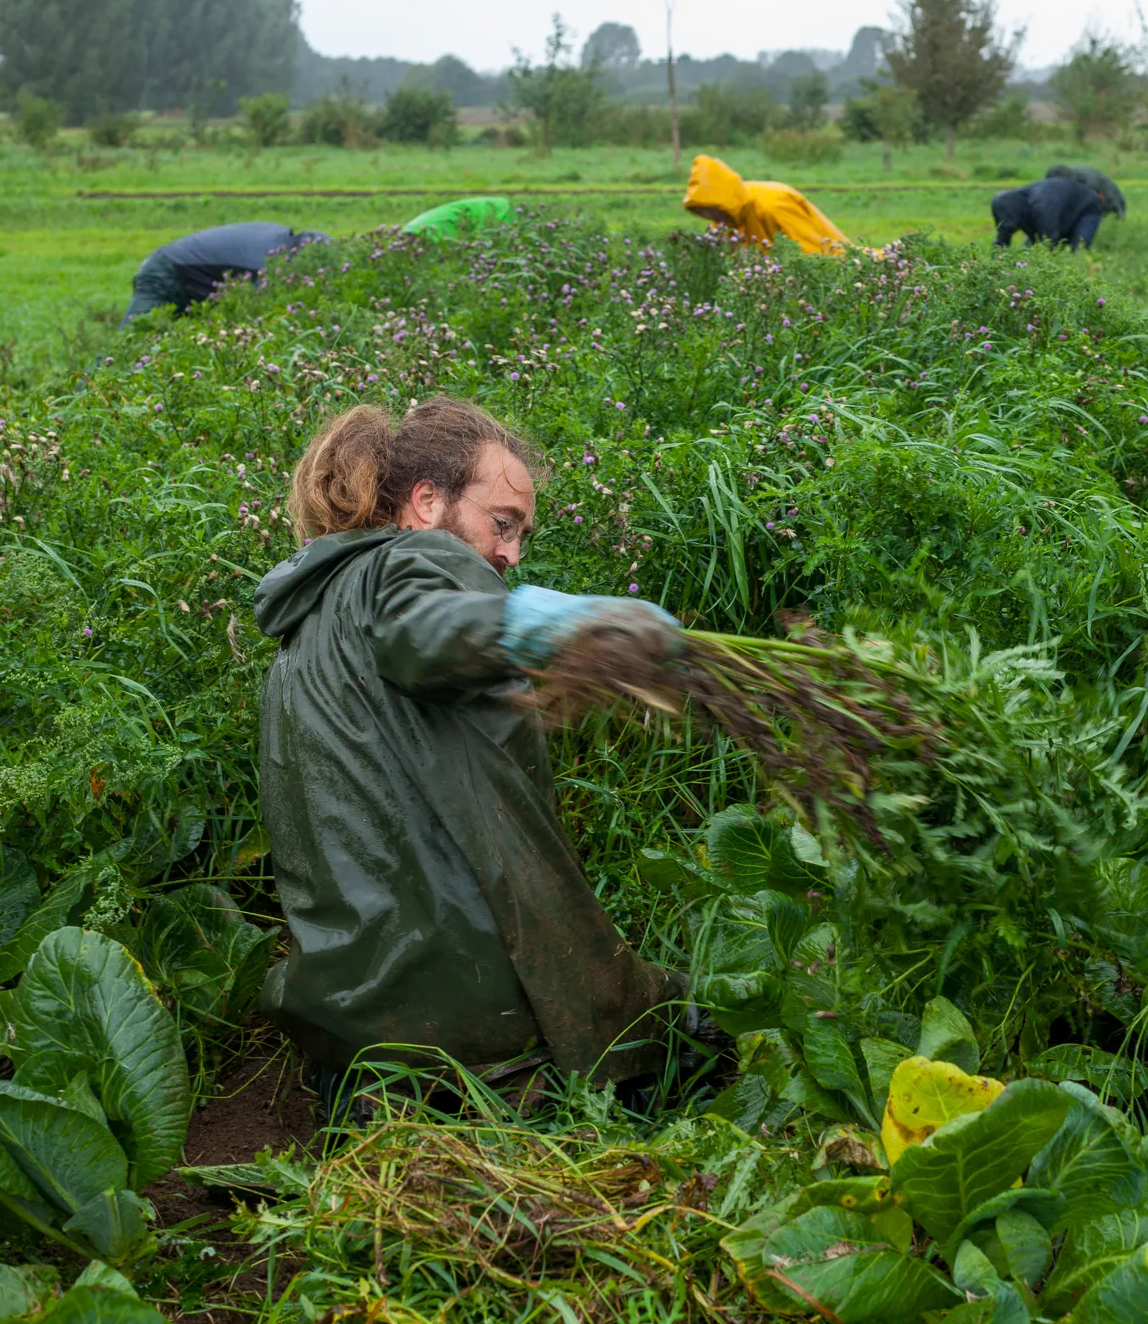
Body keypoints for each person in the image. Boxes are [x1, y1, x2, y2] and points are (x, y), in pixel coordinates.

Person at [253, 397, 687, 1099]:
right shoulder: (408, 566)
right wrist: (547, 623)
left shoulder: (311, 621)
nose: (511, 553)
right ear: (427, 502)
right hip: (467, 1026)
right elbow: (429, 625)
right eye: (502, 523)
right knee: (685, 1035)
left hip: (352, 1025)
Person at [124, 222, 331, 323]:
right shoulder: (268, 262)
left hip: (192, 278)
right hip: (166, 271)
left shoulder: (280, 239)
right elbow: (260, 314)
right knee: (133, 336)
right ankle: (92, 387)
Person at [683, 154, 850, 255]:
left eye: (709, 210)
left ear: (721, 201)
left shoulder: (773, 205)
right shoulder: (728, 219)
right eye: (701, 212)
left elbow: (812, 251)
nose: (709, 217)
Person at [992, 176, 1105, 251]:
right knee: (1028, 249)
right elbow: (1002, 240)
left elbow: (1050, 242)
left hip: (1086, 207)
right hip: (1061, 209)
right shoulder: (1011, 206)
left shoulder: (1043, 206)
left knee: (1079, 248)